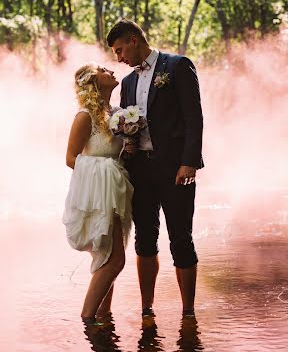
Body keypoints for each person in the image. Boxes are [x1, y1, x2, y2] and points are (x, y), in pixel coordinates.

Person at [106, 19, 204, 318]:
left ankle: (188, 312)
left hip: (176, 169)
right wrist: (127, 142)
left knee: (181, 238)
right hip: (140, 172)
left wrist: (189, 162)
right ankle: (147, 308)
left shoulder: (177, 66)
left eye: (120, 50)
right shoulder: (128, 82)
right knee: (144, 239)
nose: (119, 58)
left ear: (135, 40)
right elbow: (127, 126)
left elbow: (194, 118)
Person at [63, 63, 134, 323]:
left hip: (116, 189)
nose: (111, 71)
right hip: (98, 192)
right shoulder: (85, 117)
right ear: (93, 81)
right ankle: (88, 319)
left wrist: (125, 153)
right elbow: (71, 158)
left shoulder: (115, 115)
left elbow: (112, 149)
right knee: (115, 260)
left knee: (107, 257)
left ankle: (104, 317)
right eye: (103, 70)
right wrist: (106, 167)